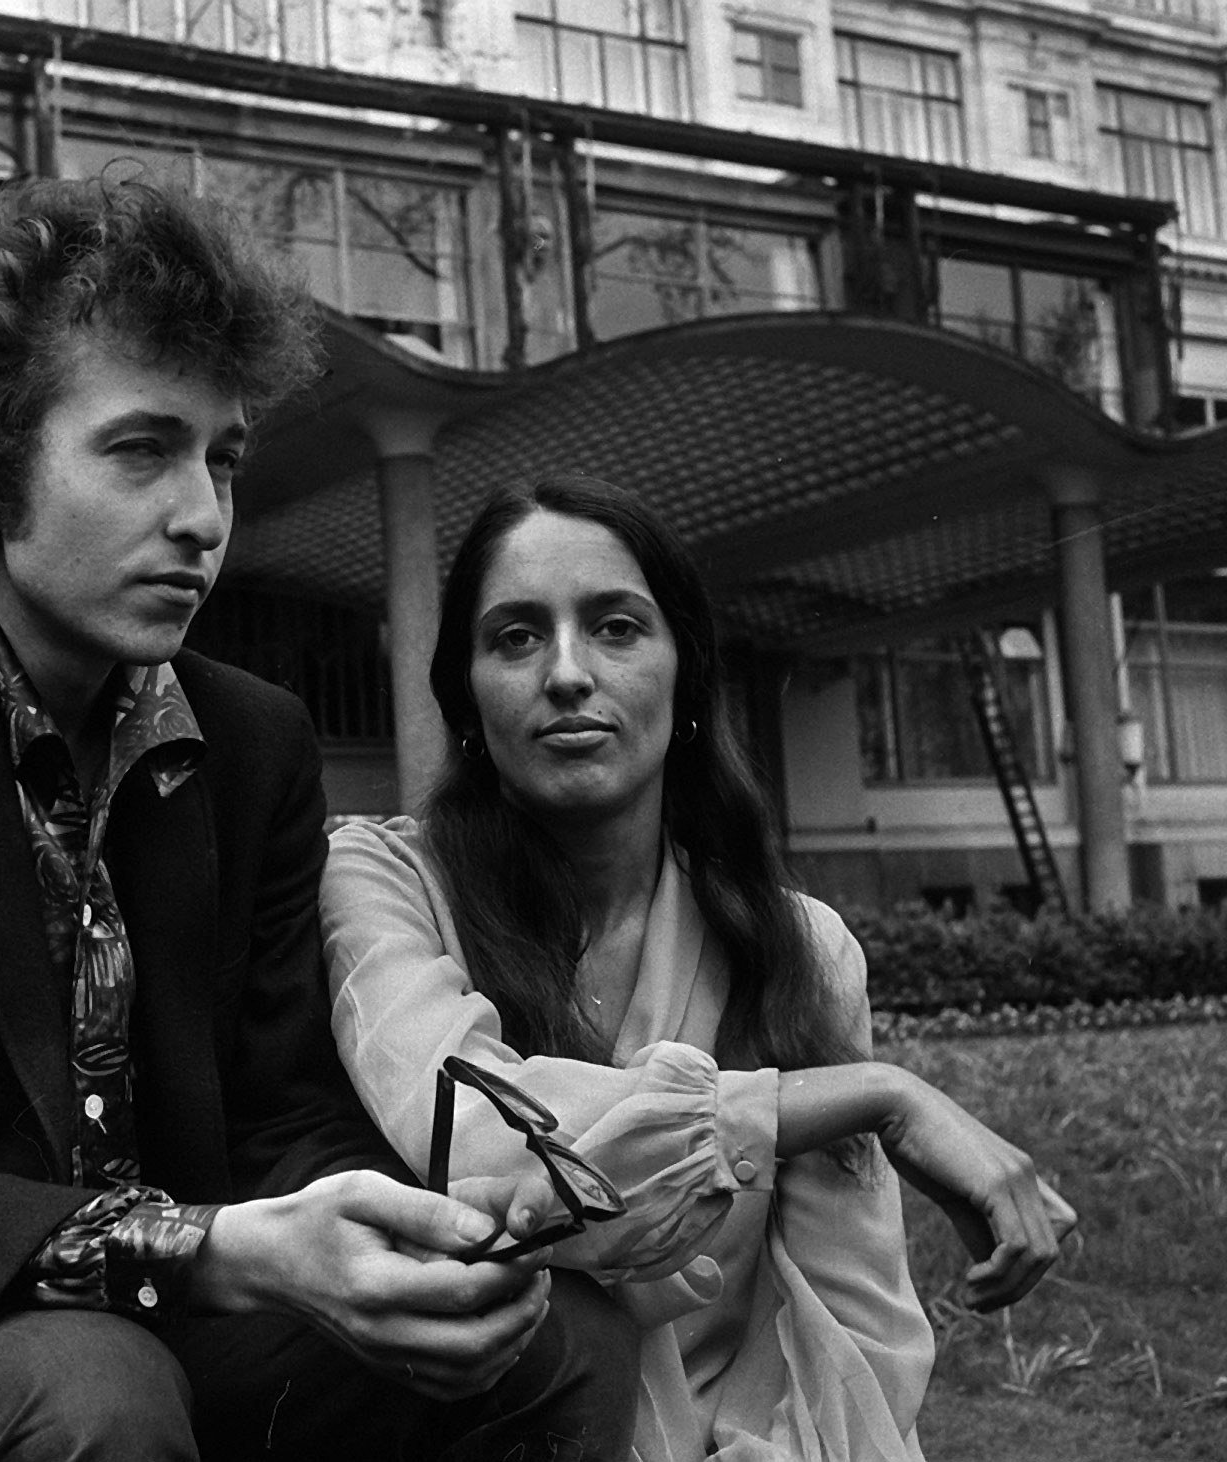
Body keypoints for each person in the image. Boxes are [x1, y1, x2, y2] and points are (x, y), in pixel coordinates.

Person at [0, 178, 643, 1462]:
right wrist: (206, 1251)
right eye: (140, 449)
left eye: (221, 456)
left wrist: (389, 1226)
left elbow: (276, 1115)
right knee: (91, 1388)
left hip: (171, 1323)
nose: (203, 517)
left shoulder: (254, 742)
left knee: (559, 1336)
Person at [321, 474, 1079, 1462]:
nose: (564, 673)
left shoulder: (797, 947)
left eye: (615, 627)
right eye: (514, 636)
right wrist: (875, 1096)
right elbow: (483, 1138)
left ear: (685, 675)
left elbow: (853, 1328)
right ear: (464, 695)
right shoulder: (377, 879)